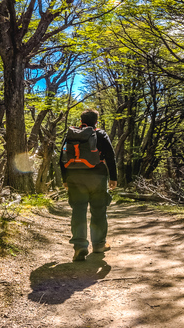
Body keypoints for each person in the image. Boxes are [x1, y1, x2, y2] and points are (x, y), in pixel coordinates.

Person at [60, 108, 117, 262]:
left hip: (75, 178)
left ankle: (79, 246)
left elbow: (62, 156)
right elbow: (110, 156)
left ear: (81, 120)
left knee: (78, 211)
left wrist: (65, 178)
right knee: (98, 210)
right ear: (96, 121)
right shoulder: (100, 134)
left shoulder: (71, 134)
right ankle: (98, 245)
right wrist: (113, 177)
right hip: (97, 178)